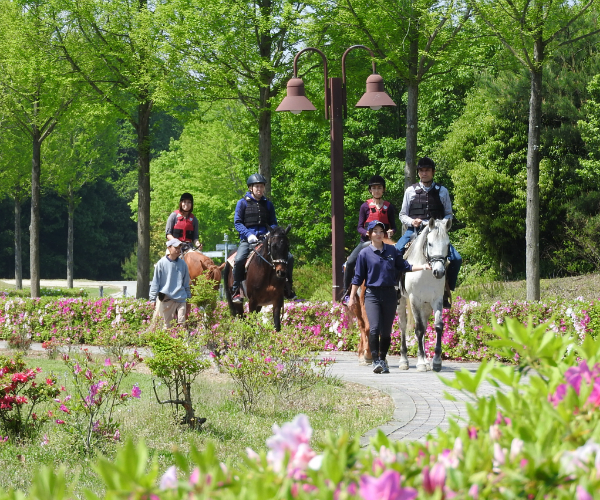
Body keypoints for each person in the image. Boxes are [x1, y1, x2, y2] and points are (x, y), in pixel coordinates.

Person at [348, 220, 430, 374]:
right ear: (370, 234)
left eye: (381, 231)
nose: (378, 234)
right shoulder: (364, 254)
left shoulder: (392, 251)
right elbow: (358, 278)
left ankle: (383, 359)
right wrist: (352, 297)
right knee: (374, 328)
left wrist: (423, 266)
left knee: (386, 332)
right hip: (372, 294)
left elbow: (405, 266)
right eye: (375, 231)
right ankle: (376, 361)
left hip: (390, 294)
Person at [395, 157, 462, 308]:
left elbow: (449, 214)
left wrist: (441, 223)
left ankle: (446, 289)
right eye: (421, 171)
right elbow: (402, 215)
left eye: (427, 170)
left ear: (433, 172)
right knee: (395, 252)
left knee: (456, 258)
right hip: (415, 231)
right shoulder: (410, 191)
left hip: (436, 233)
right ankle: (396, 288)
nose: (424, 173)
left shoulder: (442, 191)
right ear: (418, 172)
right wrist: (412, 221)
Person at [232, 173, 296, 303]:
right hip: (248, 239)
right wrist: (248, 234)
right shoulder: (242, 203)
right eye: (257, 187)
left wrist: (270, 233)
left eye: (261, 187)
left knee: (289, 257)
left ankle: (287, 287)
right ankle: (236, 289)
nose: (259, 189)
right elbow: (237, 222)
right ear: (251, 188)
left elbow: (273, 222)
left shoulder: (268, 204)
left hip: (267, 239)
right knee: (239, 260)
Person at [342, 175, 397, 303]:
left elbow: (394, 227)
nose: (376, 190)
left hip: (383, 242)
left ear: (383, 190)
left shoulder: (389, 207)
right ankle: (346, 292)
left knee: (400, 260)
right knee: (349, 263)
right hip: (366, 243)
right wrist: (366, 233)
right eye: (374, 188)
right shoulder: (365, 206)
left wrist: (391, 232)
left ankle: (398, 290)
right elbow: (359, 227)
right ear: (370, 190)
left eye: (379, 188)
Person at [149, 239, 192, 328]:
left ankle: (182, 341)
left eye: (179, 248)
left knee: (182, 325)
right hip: (167, 299)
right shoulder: (161, 263)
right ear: (169, 248)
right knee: (167, 326)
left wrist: (188, 299)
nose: (178, 250)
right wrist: (152, 299)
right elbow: (155, 282)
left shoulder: (183, 264)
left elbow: (186, 284)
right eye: (175, 248)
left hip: (181, 298)